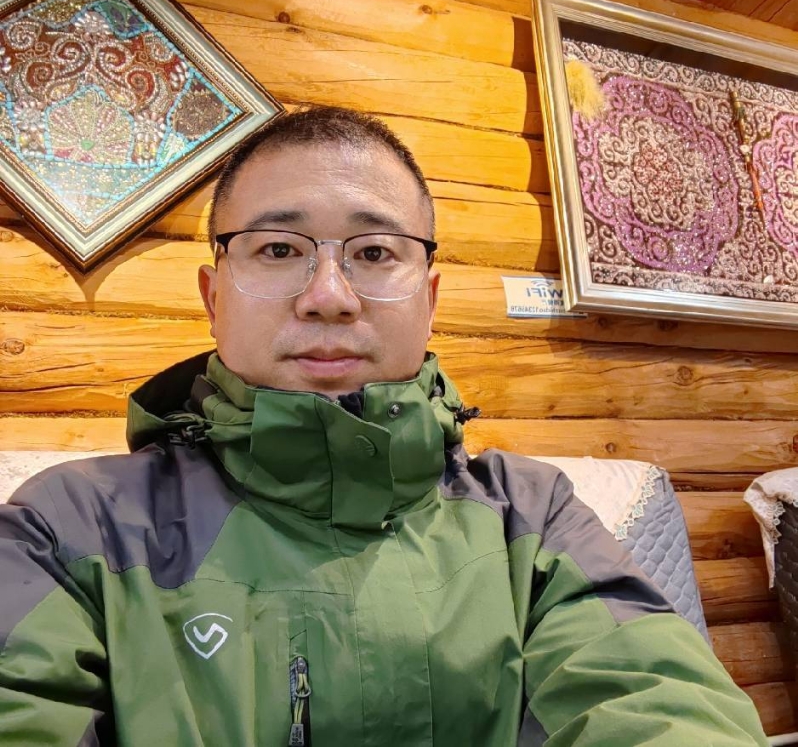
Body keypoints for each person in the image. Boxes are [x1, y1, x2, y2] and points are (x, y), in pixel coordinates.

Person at [0, 106, 767, 746]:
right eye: (278, 248)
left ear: (428, 301)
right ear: (213, 296)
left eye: (373, 252)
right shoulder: (70, 526)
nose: (329, 295)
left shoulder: (531, 519)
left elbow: (656, 702)